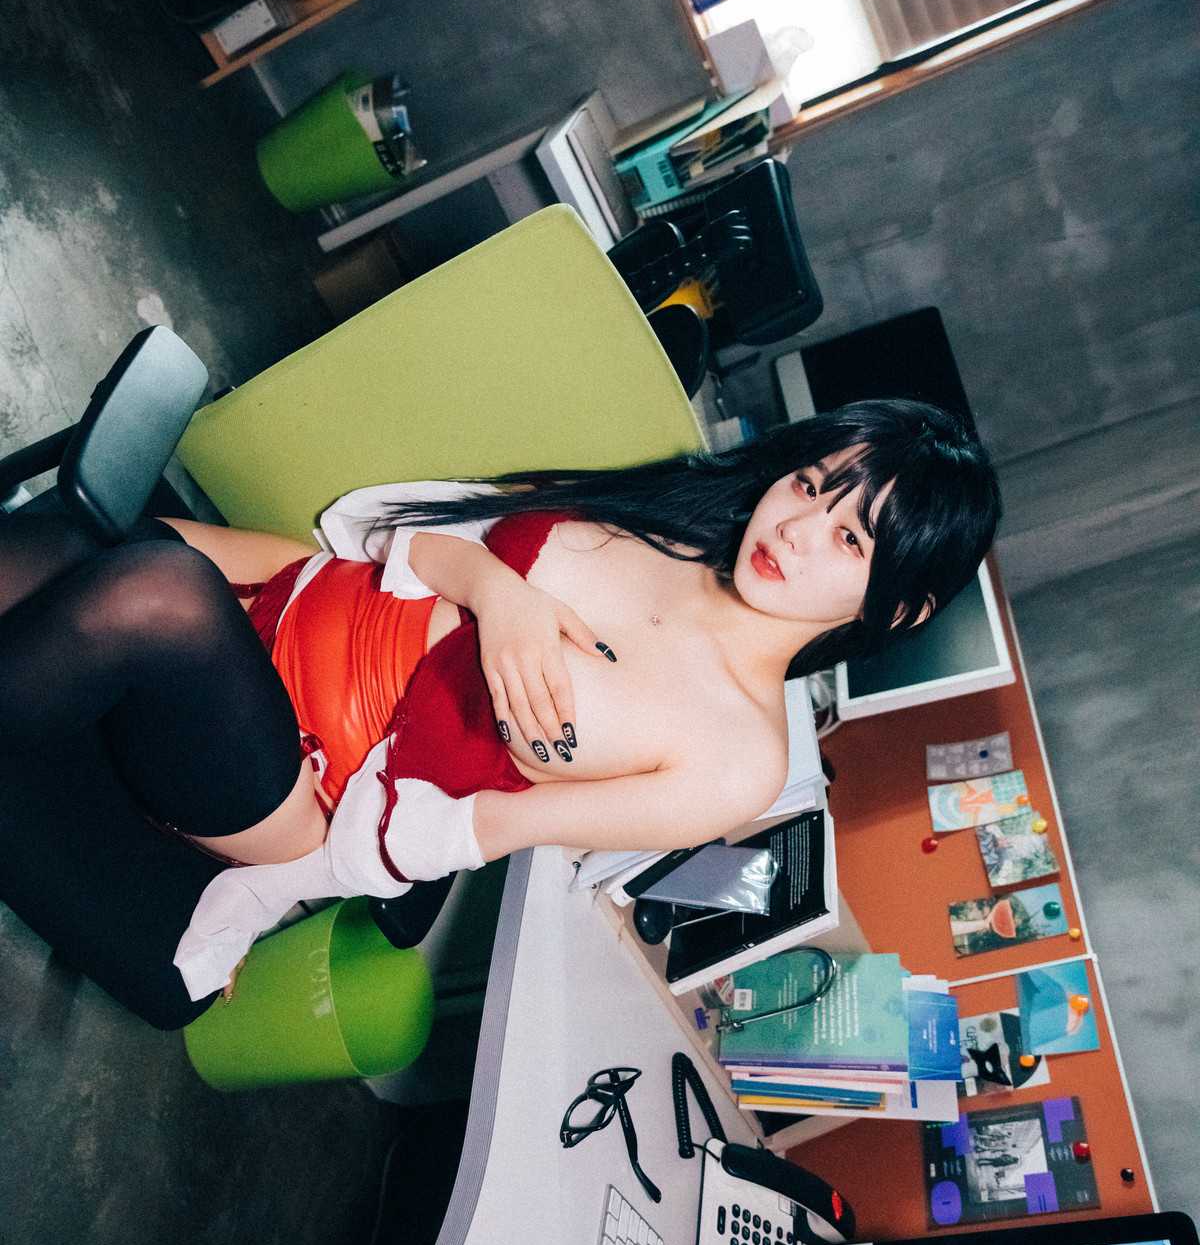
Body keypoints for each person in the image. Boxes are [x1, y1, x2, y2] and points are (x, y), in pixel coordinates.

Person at [0, 398, 999, 1011]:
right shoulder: (676, 522)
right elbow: (404, 535)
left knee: (152, 593)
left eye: (852, 540)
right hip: (290, 597)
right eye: (813, 485)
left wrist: (260, 898)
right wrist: (498, 594)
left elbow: (465, 834)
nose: (797, 528)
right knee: (71, 540)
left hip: (296, 787)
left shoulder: (735, 759)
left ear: (895, 607)